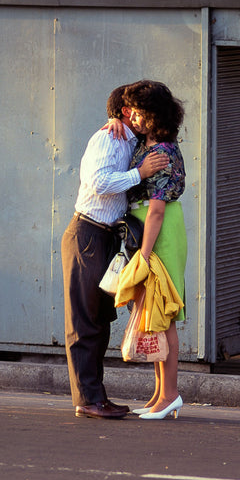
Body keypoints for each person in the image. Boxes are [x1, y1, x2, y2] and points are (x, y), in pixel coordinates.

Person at [61, 84, 169, 419]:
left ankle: (96, 396)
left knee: (101, 318)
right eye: (134, 109)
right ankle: (87, 400)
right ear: (124, 112)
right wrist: (141, 173)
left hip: (106, 237)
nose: (140, 116)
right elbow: (99, 183)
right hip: (88, 233)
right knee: (84, 321)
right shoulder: (108, 138)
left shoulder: (130, 138)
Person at [119, 80, 187, 420]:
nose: (133, 117)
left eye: (140, 112)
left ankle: (170, 394)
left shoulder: (162, 149)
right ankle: (160, 394)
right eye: (130, 111)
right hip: (148, 231)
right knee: (152, 314)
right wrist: (115, 119)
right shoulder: (144, 139)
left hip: (159, 234)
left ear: (155, 115)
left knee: (164, 316)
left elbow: (158, 208)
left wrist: (144, 255)